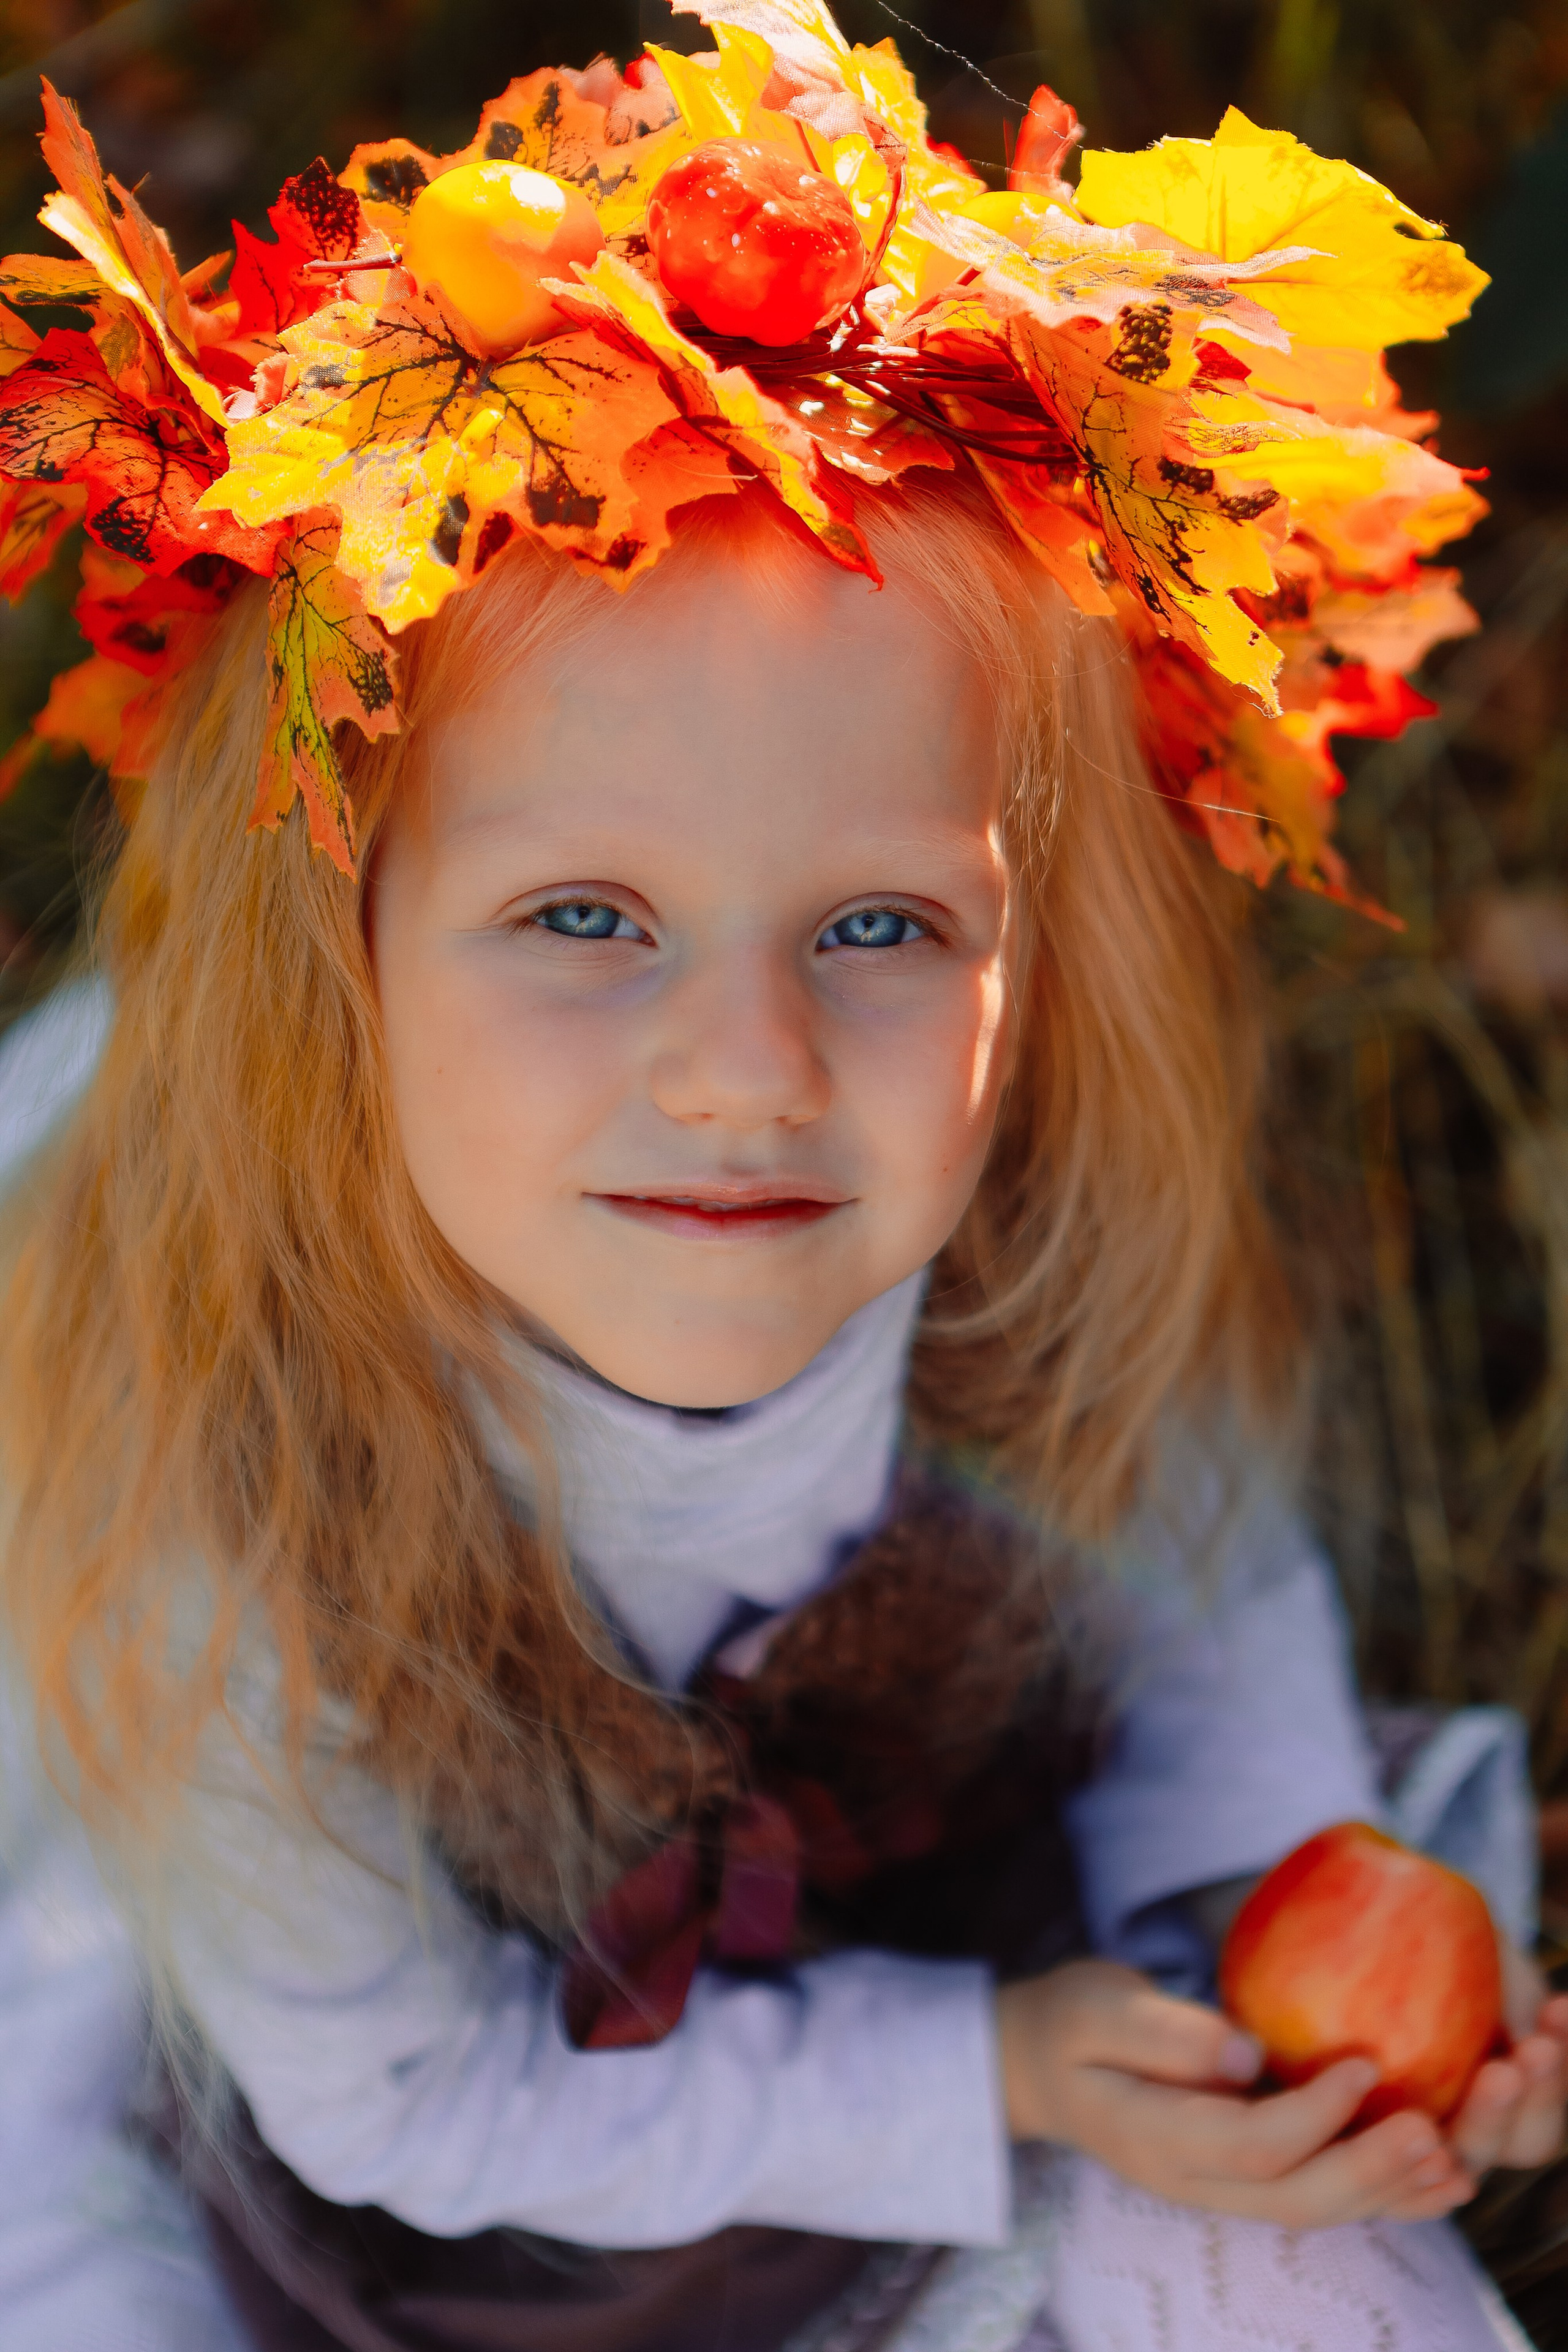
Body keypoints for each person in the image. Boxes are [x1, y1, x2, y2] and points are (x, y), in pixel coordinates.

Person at [0, 7, 1562, 2348]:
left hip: (1005, 2128)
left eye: (879, 929)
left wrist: (1280, 2022)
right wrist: (998, 2066)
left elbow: (1219, 1706)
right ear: (332, 962)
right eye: (585, 924)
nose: (746, 1073)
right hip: (487, 2248)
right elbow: (408, 2105)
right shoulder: (234, 1502)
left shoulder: (1060, 1293)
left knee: (1301, 2264)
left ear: (1043, 957)